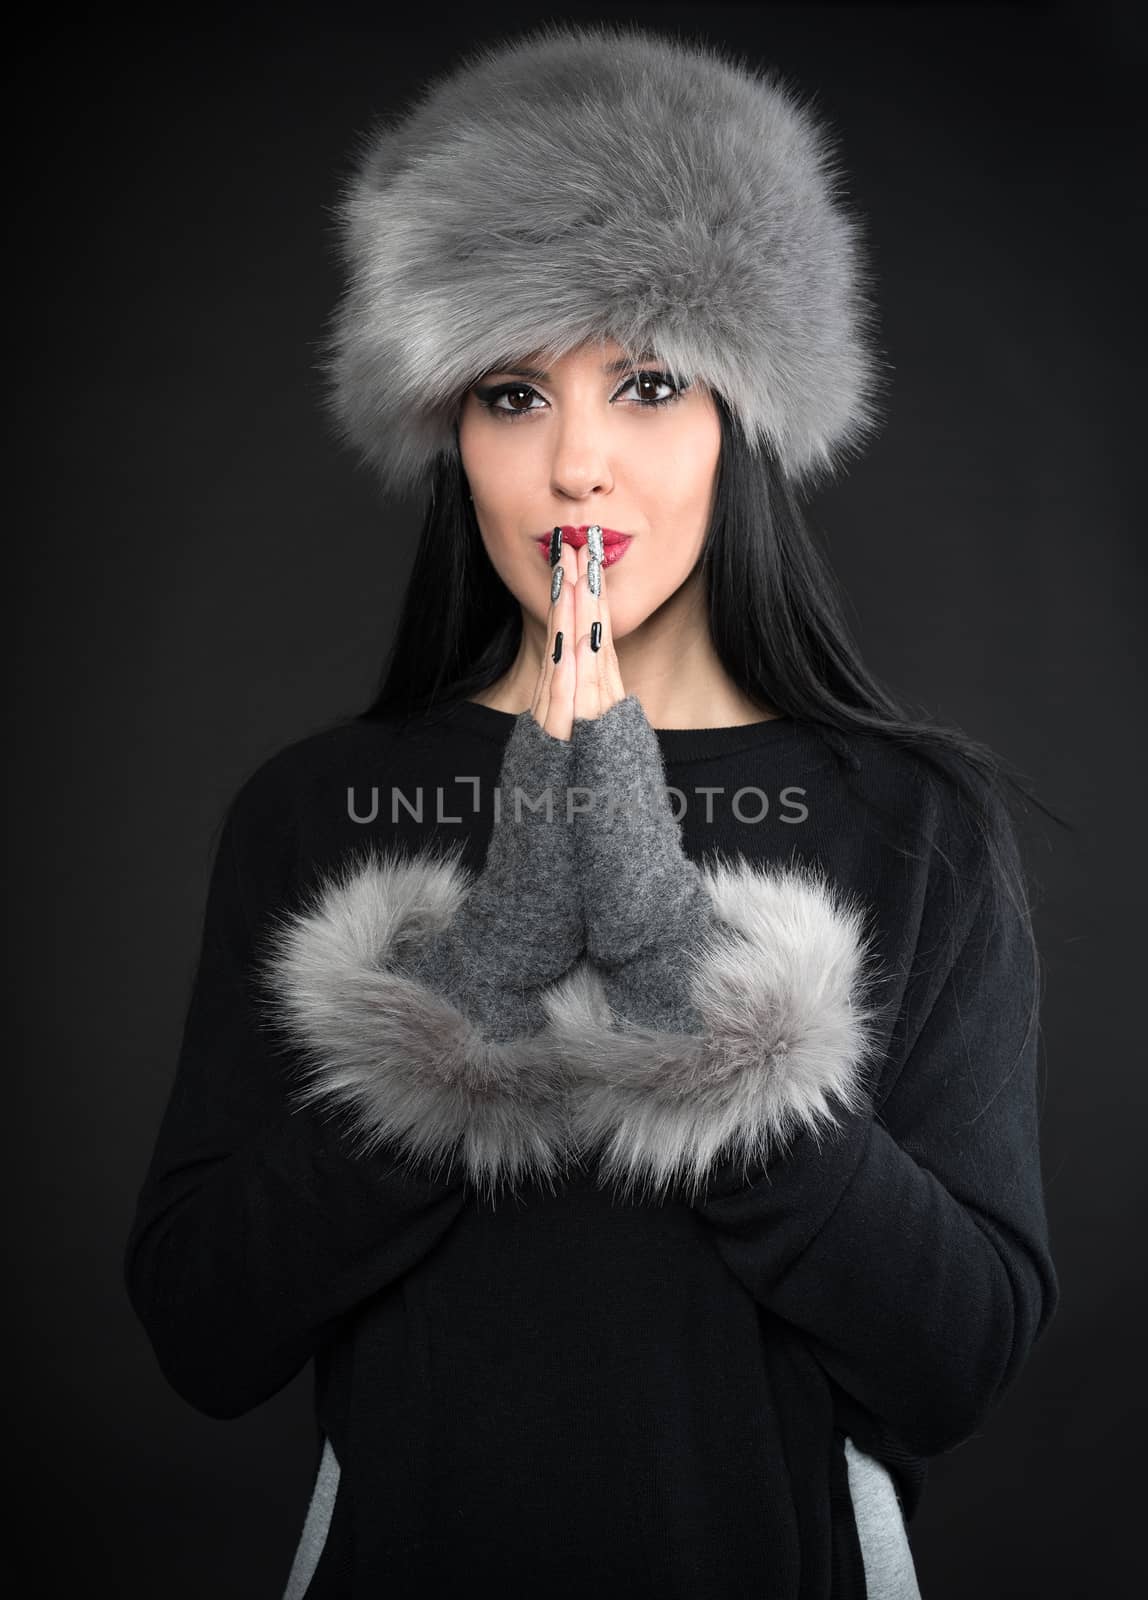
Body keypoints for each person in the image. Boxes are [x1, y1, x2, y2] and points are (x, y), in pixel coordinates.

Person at [123, 20, 1061, 1599]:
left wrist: (672, 973)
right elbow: (206, 1331)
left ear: (742, 419)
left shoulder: (913, 825)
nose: (576, 464)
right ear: (449, 437)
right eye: (508, 392)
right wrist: (471, 986)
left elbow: (954, 1360)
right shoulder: (320, 811)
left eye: (642, 380)